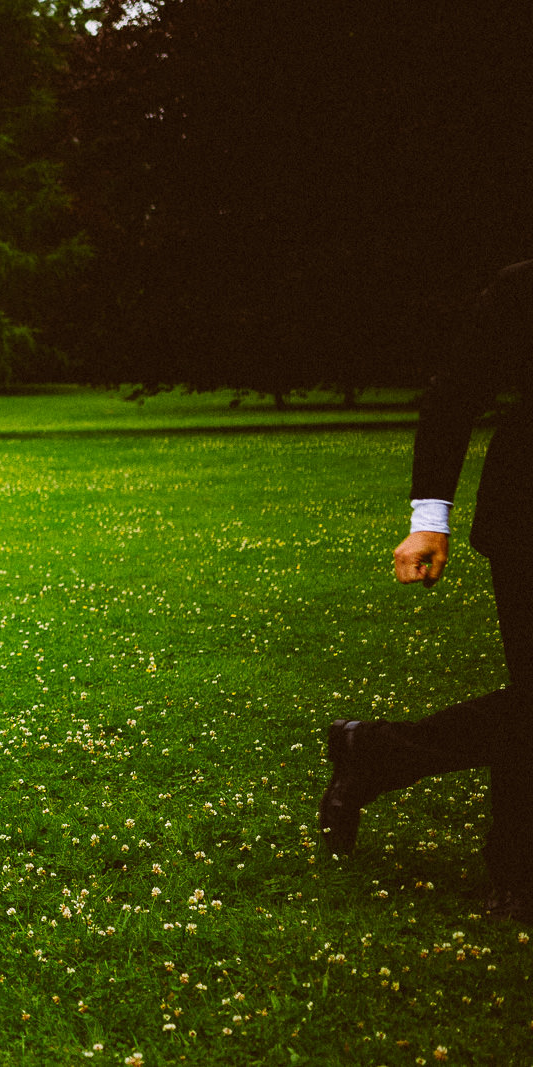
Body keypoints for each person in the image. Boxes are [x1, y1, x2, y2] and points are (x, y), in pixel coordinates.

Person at [320, 260, 533, 922]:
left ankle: (375, 752)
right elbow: (455, 392)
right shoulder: (522, 287)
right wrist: (428, 522)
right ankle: (516, 872)